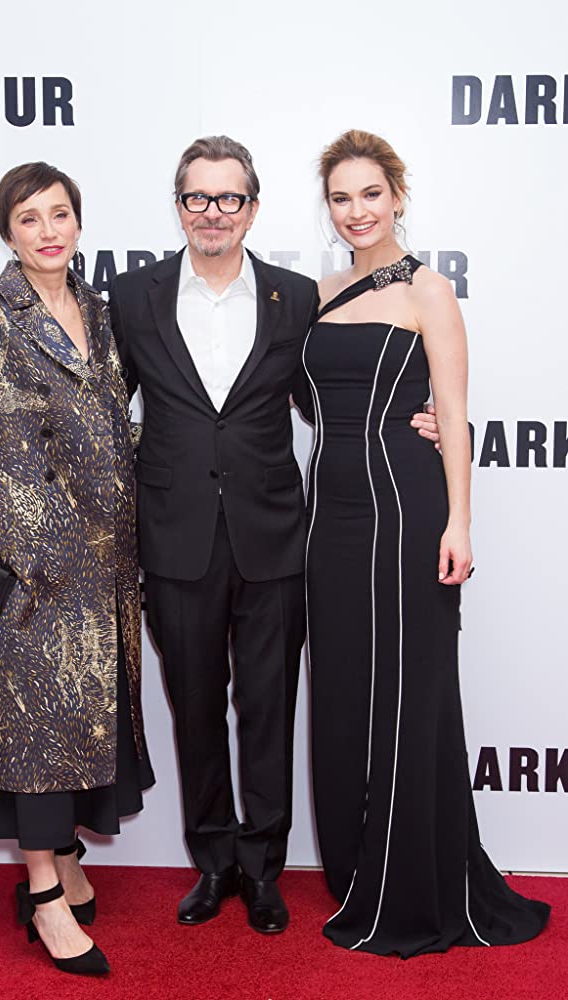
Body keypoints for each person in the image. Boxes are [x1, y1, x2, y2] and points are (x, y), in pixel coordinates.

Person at [108, 135, 438, 934]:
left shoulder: (297, 298)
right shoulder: (130, 297)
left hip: (276, 536)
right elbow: (103, 410)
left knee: (268, 709)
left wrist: (420, 419)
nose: (213, 212)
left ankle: (263, 869)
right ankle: (212, 862)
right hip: (175, 536)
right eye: (198, 197)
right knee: (194, 709)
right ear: (179, 206)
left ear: (252, 208)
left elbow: (332, 396)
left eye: (229, 198)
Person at [304, 129, 550, 956]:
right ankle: (356, 866)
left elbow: (453, 415)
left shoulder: (429, 291)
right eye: (342, 197)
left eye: (371, 194)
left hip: (408, 512)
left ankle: (413, 884)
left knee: (411, 691)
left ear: (398, 196)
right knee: (344, 693)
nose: (357, 211)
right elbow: (308, 399)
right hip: (329, 519)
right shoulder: (318, 292)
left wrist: (460, 522)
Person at [0, 162, 154, 975]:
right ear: (8, 233)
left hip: (100, 559)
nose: (48, 231)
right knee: (28, 727)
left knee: (80, 721)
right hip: (18, 563)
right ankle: (44, 896)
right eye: (29, 218)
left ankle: (64, 853)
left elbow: (117, 424)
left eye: (59, 214)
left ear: (79, 222)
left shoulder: (100, 312)